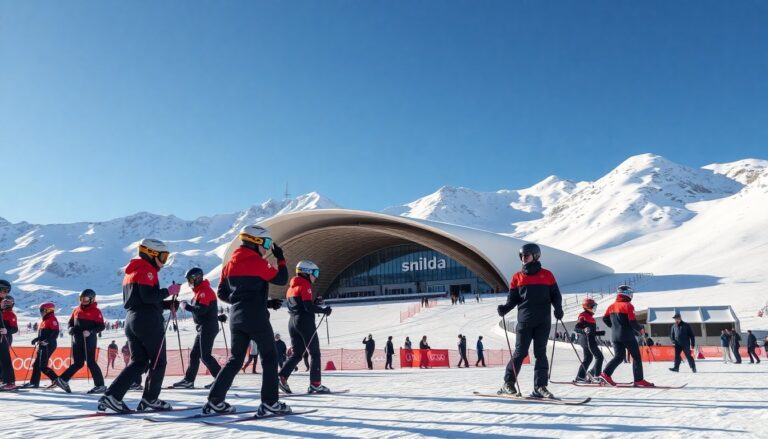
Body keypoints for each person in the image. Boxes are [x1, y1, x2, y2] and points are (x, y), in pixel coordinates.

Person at [205, 225, 290, 416]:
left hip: (236, 317)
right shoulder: (256, 262)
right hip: (256, 317)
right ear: (256, 241)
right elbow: (282, 278)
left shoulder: (229, 264)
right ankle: (270, 403)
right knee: (269, 357)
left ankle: (214, 401)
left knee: (235, 360)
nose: (267, 248)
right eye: (266, 243)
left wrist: (257, 302)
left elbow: (223, 293)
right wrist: (280, 258)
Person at [97, 238, 180, 413]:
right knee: (158, 361)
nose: (163, 262)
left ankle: (113, 396)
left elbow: (141, 299)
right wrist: (167, 292)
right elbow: (148, 297)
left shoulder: (132, 270)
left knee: (140, 362)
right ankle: (150, 399)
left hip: (133, 319)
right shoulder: (146, 268)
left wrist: (166, 304)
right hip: (147, 321)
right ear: (151, 254)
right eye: (163, 257)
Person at [497, 243, 563, 398]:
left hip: (543, 321)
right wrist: (505, 308)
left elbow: (556, 295)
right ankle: (508, 383)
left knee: (541, 353)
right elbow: (512, 299)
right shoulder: (517, 277)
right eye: (522, 256)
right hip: (525, 322)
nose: (523, 258)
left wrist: (558, 308)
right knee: (520, 353)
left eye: (526, 255)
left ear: (535, 256)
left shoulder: (547, 275)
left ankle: (540, 387)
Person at [278, 260, 332, 394]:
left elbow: (300, 305)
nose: (316, 276)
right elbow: (307, 307)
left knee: (297, 354)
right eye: (315, 273)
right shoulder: (305, 284)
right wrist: (323, 310)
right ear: (306, 272)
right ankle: (315, 384)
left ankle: (282, 377)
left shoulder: (292, 286)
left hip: (292, 322)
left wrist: (314, 303)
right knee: (315, 353)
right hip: (304, 322)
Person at [172, 268, 222, 389]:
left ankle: (221, 380)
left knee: (205, 356)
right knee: (194, 355)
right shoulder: (199, 291)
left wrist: (187, 306)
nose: (189, 283)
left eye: (190, 280)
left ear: (197, 278)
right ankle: (189, 380)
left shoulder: (205, 291)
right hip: (203, 327)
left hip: (208, 327)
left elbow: (202, 310)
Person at [599, 286, 654, 387]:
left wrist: (614, 327)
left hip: (615, 336)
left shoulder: (611, 306)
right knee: (636, 357)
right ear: (626, 293)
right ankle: (639, 380)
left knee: (619, 357)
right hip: (627, 335)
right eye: (630, 292)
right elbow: (632, 322)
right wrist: (640, 329)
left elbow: (605, 319)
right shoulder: (628, 306)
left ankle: (605, 374)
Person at [57, 289, 107, 394]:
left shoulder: (96, 311)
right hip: (77, 340)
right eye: (81, 298)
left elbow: (101, 326)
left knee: (91, 362)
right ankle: (62, 380)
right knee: (78, 363)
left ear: (92, 299)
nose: (83, 301)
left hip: (89, 340)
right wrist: (70, 328)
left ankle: (100, 385)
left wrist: (91, 331)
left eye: (85, 299)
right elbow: (70, 322)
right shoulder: (76, 310)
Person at [22, 302, 61, 389]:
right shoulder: (45, 320)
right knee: (36, 365)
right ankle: (34, 383)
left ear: (49, 310)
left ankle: (57, 380)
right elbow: (43, 335)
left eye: (42, 310)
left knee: (42, 366)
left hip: (48, 345)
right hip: (42, 345)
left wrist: (47, 341)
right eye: (41, 310)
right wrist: (36, 339)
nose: (41, 312)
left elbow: (55, 333)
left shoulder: (52, 319)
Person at [573, 297, 605, 383]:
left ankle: (580, 376)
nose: (595, 309)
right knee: (599, 357)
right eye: (593, 307)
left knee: (588, 358)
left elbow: (590, 331)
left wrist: (599, 333)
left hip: (587, 340)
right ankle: (596, 376)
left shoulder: (590, 317)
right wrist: (583, 330)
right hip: (588, 340)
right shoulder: (583, 315)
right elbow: (576, 328)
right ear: (588, 307)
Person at [0, 291, 18, 391]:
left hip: (6, 338)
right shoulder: (1, 312)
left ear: (12, 304)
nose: (7, 304)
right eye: (5, 301)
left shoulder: (10, 314)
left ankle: (10, 382)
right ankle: (3, 380)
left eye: (9, 302)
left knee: (5, 359)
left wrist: (7, 331)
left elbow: (15, 329)